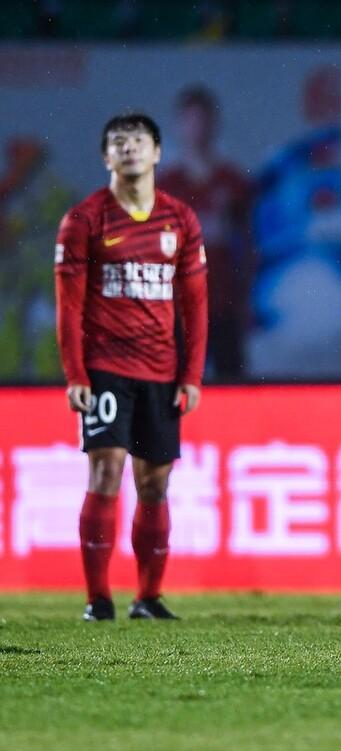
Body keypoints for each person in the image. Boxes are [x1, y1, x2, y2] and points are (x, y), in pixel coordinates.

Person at [55, 113, 208, 622]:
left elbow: (195, 304)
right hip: (105, 367)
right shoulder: (84, 221)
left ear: (158, 152)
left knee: (155, 482)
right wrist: (76, 375)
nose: (129, 149)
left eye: (139, 140)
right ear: (106, 157)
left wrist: (191, 374)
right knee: (106, 469)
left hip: (161, 370)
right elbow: (68, 306)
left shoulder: (179, 220)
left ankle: (148, 597)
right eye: (118, 142)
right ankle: (98, 599)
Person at [158, 85, 254, 380]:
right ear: (179, 125)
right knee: (175, 385)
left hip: (223, 302)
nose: (196, 128)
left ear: (213, 123)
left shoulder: (232, 182)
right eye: (190, 120)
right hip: (179, 305)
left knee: (231, 384)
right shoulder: (166, 186)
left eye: (202, 119)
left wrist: (246, 299)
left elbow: (248, 245)